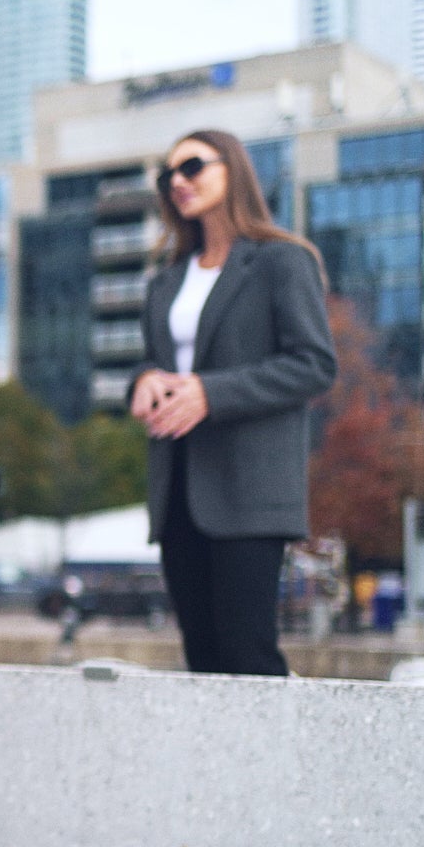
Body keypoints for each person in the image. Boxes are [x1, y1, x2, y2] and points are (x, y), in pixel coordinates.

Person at [129, 130, 336, 676]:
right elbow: (155, 359)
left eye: (192, 166)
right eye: (167, 174)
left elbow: (314, 364)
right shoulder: (165, 281)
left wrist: (210, 393)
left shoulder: (282, 261)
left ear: (232, 170)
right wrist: (145, 380)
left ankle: (274, 764)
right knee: (203, 657)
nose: (178, 181)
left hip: (249, 490)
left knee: (249, 655)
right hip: (177, 489)